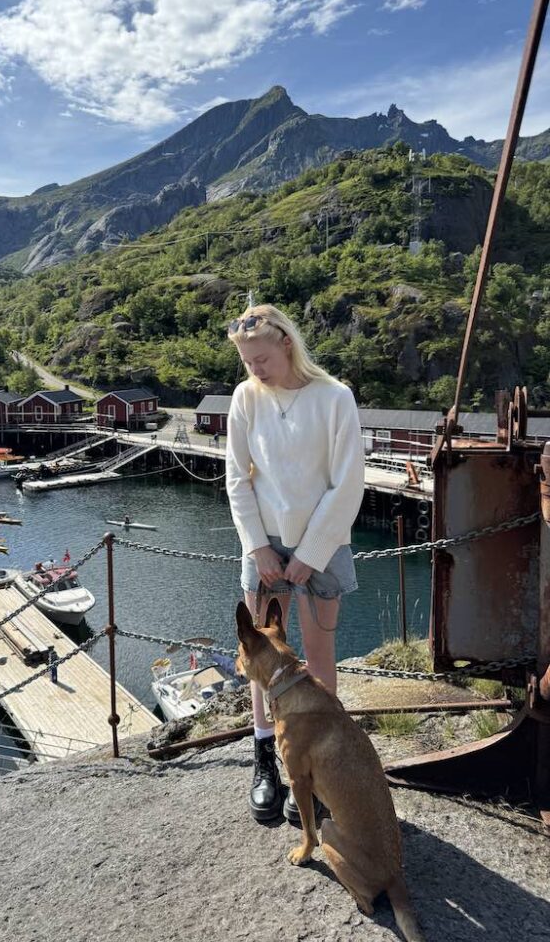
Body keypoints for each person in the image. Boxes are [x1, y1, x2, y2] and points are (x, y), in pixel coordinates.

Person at [226, 304, 364, 822]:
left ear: (286, 343)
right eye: (246, 362)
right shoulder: (246, 398)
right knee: (261, 658)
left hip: (321, 545)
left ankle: (324, 765)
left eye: (261, 358)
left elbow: (347, 481)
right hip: (262, 544)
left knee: (319, 656)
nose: (254, 370)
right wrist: (259, 547)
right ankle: (267, 762)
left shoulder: (334, 398)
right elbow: (238, 478)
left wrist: (310, 553)